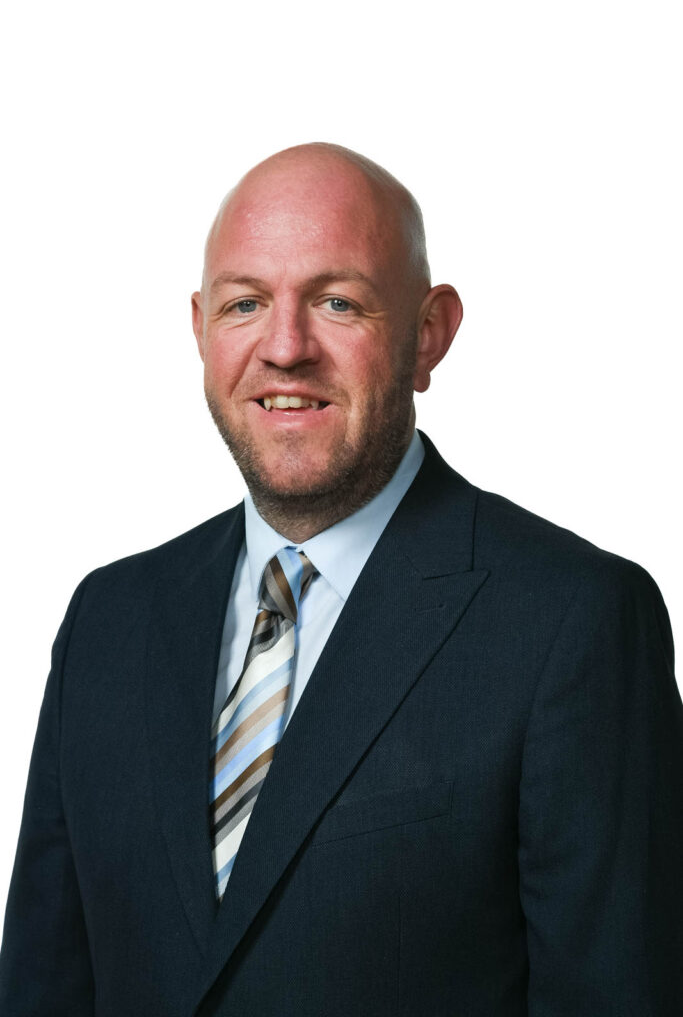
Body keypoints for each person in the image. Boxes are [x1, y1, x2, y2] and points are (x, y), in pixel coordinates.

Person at [1, 142, 681, 1017]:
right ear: (201, 330)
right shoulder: (108, 619)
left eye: (337, 302)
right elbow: (43, 990)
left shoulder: (572, 622)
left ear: (427, 334)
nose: (284, 348)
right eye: (245, 303)